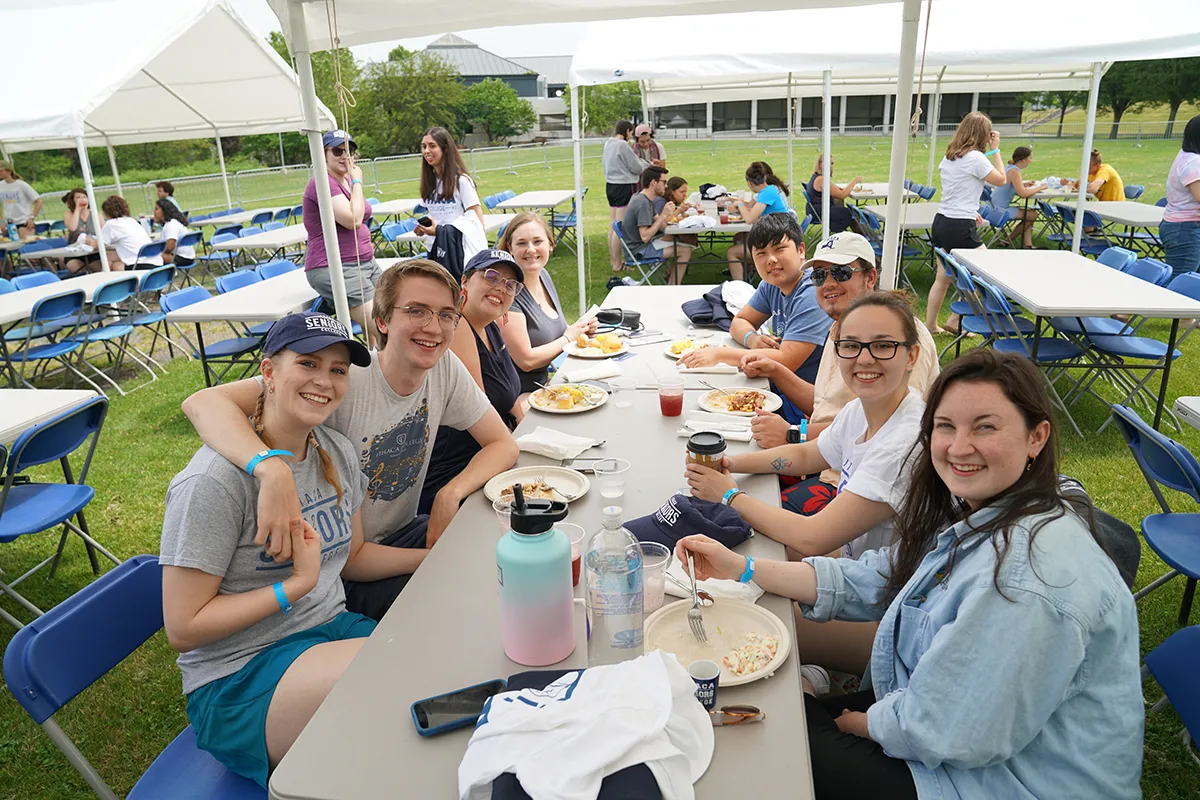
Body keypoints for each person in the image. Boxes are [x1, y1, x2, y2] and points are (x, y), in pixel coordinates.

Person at [676, 348, 1143, 800]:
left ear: (1036, 437)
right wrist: (744, 568)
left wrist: (864, 723)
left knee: (768, 742)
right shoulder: (984, 512)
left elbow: (954, 730)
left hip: (1007, 780)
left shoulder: (1028, 580)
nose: (960, 447)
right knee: (770, 717)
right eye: (946, 427)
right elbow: (879, 577)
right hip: (947, 731)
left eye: (986, 427)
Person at [180, 259, 520, 622]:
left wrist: (448, 494)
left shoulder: (444, 368)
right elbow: (203, 402)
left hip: (405, 534)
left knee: (504, 552)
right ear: (383, 320)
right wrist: (269, 470)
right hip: (344, 568)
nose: (433, 327)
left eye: (446, 315)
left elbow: (503, 444)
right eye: (417, 311)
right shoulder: (341, 379)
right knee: (473, 596)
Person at [161, 312, 409, 789]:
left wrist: (434, 558)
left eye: (338, 370)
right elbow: (184, 627)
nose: (324, 380)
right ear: (269, 373)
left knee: (434, 660)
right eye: (308, 363)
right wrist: (294, 586)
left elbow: (352, 557)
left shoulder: (333, 450)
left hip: (328, 630)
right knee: (392, 687)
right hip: (240, 674)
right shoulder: (211, 483)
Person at [685, 291, 924, 563]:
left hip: (878, 592)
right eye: (850, 345)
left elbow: (813, 537)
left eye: (883, 346)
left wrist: (729, 495)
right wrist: (730, 463)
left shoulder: (903, 444)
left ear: (911, 355)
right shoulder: (862, 409)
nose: (865, 359)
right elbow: (806, 455)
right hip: (852, 561)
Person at [740, 232, 939, 516]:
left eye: (841, 272)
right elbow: (824, 404)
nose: (828, 283)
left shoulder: (902, 338)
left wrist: (793, 433)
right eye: (819, 276)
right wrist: (776, 370)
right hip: (825, 459)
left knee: (753, 512)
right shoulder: (840, 330)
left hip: (852, 482)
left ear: (870, 277)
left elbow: (891, 431)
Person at [679, 213, 832, 423]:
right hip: (777, 387)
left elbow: (788, 360)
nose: (771, 260)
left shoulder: (811, 293)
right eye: (761, 253)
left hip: (810, 406)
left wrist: (720, 355)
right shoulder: (772, 284)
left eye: (779, 249)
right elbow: (739, 321)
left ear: (801, 251)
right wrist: (752, 339)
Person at [420, 250, 526, 513]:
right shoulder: (458, 329)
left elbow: (511, 398)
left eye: (510, 284)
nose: (501, 288)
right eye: (492, 276)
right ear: (465, 281)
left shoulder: (490, 327)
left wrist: (529, 437)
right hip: (459, 472)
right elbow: (482, 412)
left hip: (492, 457)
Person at [496, 212, 597, 394]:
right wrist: (569, 338)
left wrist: (581, 330)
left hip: (545, 385)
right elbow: (526, 361)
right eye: (521, 243)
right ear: (510, 248)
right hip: (517, 395)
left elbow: (556, 331)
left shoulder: (543, 276)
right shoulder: (507, 293)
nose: (531, 249)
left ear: (550, 244)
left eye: (537, 241)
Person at [925, 111, 1007, 336]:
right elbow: (1001, 179)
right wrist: (996, 149)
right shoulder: (976, 158)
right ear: (983, 134)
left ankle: (932, 324)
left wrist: (971, 212)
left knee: (943, 278)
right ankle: (955, 318)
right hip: (959, 225)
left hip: (943, 220)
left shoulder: (950, 155)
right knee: (983, 272)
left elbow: (960, 189)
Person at [302, 130, 382, 347]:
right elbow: (353, 219)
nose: (345, 156)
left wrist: (352, 182)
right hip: (335, 266)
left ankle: (376, 370)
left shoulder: (345, 180)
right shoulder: (323, 182)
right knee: (386, 329)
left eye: (349, 151)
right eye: (337, 151)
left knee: (391, 316)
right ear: (322, 155)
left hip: (365, 263)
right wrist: (358, 183)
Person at [415, 126, 487, 273]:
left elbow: (477, 224)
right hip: (434, 249)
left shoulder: (462, 182)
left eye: (432, 146)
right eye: (424, 146)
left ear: (445, 149)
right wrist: (425, 228)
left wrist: (440, 231)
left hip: (457, 252)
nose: (426, 151)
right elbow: (435, 214)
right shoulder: (429, 183)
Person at [622, 166, 694, 284]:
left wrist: (676, 220)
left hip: (642, 245)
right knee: (685, 251)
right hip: (639, 251)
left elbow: (662, 226)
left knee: (683, 244)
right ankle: (673, 287)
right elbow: (645, 237)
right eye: (664, 182)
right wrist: (663, 215)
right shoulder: (643, 203)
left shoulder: (643, 198)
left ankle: (671, 282)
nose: (666, 186)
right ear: (653, 183)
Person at [725, 161, 793, 281]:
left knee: (732, 252)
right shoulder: (770, 190)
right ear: (765, 177)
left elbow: (750, 219)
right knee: (739, 238)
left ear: (749, 183)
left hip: (775, 242)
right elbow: (753, 211)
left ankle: (739, 287)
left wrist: (739, 204)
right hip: (777, 236)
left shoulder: (767, 193)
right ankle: (748, 274)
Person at [603, 121, 648, 272]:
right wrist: (646, 164)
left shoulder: (608, 143)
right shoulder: (622, 145)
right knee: (619, 226)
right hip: (623, 186)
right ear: (627, 131)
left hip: (610, 185)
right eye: (631, 132)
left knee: (613, 224)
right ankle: (617, 263)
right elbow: (635, 167)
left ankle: (614, 260)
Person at [1160, 114, 1200, 279]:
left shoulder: (1186, 155)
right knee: (1178, 284)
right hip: (1186, 229)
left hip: (1182, 227)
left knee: (1190, 283)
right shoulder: (1194, 163)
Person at [988, 146, 1046, 249]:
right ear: (1023, 159)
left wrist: (1024, 184)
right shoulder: (1015, 172)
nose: (1030, 161)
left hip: (990, 206)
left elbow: (1011, 186)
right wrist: (1040, 187)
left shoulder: (1009, 167)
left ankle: (1028, 245)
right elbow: (1023, 194)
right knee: (1032, 215)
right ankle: (1008, 240)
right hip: (999, 210)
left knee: (1029, 214)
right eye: (1030, 158)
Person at [84, 195, 160, 271]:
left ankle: (107, 278)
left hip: (139, 263)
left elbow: (97, 245)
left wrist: (86, 239)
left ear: (106, 212)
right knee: (109, 257)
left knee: (113, 264)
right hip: (156, 261)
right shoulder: (131, 221)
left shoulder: (111, 224)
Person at [805, 153, 861, 235]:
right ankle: (863, 236)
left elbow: (836, 190)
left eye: (832, 163)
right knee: (848, 212)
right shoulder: (821, 180)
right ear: (820, 164)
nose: (830, 166)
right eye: (828, 163)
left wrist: (847, 189)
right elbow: (841, 195)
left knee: (845, 210)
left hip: (816, 210)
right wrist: (855, 181)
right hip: (821, 212)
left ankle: (862, 235)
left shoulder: (817, 177)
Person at [61, 188, 102, 274]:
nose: (82, 199)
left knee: (99, 268)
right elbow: (72, 228)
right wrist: (77, 210)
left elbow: (104, 231)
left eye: (84, 197)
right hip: (76, 253)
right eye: (78, 197)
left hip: (94, 252)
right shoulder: (68, 214)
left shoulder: (95, 214)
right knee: (77, 268)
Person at [655, 176, 700, 252]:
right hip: (659, 236)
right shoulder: (661, 202)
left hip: (668, 233)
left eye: (685, 192)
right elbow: (664, 221)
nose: (684, 195)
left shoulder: (671, 201)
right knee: (688, 237)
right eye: (682, 192)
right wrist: (679, 210)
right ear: (672, 191)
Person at [0, 160, 42, 238]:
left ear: (8, 171)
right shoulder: (1, 186)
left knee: (26, 246)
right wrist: (1, 221)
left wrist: (31, 218)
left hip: (24, 221)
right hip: (10, 223)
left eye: (1, 171)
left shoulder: (21, 185)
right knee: (14, 247)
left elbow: (38, 201)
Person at [154, 198, 196, 267]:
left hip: (183, 258)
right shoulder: (171, 223)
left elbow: (170, 246)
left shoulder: (171, 224)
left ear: (164, 211)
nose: (154, 211)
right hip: (187, 256)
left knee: (154, 258)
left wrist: (160, 252)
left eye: (157, 209)